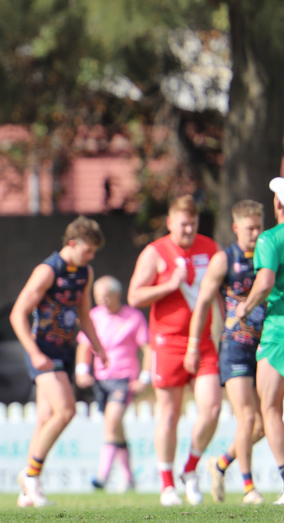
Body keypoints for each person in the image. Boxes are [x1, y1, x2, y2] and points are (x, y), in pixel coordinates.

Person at [126, 195, 221, 506]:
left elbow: (220, 292)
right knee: (169, 414)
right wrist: (168, 285)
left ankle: (189, 470)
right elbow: (134, 296)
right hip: (167, 342)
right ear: (170, 223)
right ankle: (167, 485)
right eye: (183, 223)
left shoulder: (210, 248)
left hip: (203, 342)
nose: (188, 229)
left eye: (193, 223)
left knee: (212, 409)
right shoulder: (155, 252)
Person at [11, 216, 108, 507]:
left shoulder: (84, 272)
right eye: (88, 250)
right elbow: (17, 314)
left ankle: (27, 490)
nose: (91, 257)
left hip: (64, 351)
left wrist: (98, 348)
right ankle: (30, 475)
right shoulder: (47, 271)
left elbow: (84, 313)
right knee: (66, 411)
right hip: (43, 351)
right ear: (72, 244)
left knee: (45, 418)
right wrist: (34, 352)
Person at [194, 200, 269, 504]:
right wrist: (193, 345)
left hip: (266, 347)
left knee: (266, 424)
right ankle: (250, 488)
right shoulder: (224, 260)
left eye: (259, 227)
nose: (255, 233)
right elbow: (201, 304)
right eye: (250, 228)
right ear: (237, 227)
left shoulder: (269, 257)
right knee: (247, 417)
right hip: (235, 347)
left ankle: (221, 462)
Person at [228, 178, 284, 505]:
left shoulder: (270, 238)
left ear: (278, 204)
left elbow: (264, 281)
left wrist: (244, 309)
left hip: (278, 331)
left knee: (271, 408)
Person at [75, 276, 149, 492]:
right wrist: (82, 370)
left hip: (124, 378)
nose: (102, 301)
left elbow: (147, 347)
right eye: (98, 297)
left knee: (112, 421)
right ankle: (129, 478)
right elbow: (84, 346)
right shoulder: (94, 317)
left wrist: (144, 377)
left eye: (106, 296)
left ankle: (103, 476)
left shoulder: (133, 317)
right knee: (117, 429)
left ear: (117, 295)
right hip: (102, 379)